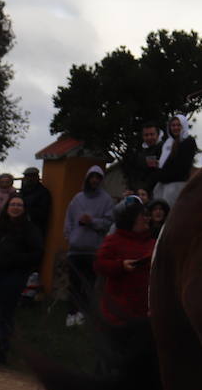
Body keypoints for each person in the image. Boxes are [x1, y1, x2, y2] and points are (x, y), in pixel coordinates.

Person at [0, 194, 43, 363]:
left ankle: (0, 353)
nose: (16, 207)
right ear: (7, 207)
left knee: (6, 315)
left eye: (19, 204)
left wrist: (13, 260)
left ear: (24, 209)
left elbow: (36, 254)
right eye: (13, 204)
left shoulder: (30, 229)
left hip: (13, 277)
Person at [94, 197, 156, 369]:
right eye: (142, 215)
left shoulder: (153, 243)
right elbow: (99, 264)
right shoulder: (114, 240)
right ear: (130, 218)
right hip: (116, 315)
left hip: (143, 315)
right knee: (110, 360)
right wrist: (120, 265)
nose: (147, 218)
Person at [62, 165, 114, 328]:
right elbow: (68, 221)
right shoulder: (77, 199)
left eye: (98, 178)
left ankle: (83, 313)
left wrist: (92, 222)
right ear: (87, 179)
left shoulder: (107, 200)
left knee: (89, 285)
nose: (94, 180)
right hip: (75, 250)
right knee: (74, 284)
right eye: (92, 177)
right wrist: (70, 237)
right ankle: (71, 313)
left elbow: (108, 223)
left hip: (93, 250)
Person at [153, 114, 197, 207]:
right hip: (163, 183)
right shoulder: (168, 143)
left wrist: (163, 175)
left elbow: (182, 166)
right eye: (173, 125)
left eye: (178, 125)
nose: (175, 128)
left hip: (176, 185)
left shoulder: (188, 141)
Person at [123, 123, 163, 198]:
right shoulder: (139, 151)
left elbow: (154, 173)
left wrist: (143, 188)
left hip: (154, 192)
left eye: (152, 134)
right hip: (138, 192)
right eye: (146, 135)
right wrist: (132, 188)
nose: (149, 137)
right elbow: (133, 172)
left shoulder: (162, 149)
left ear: (157, 135)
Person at [19, 166, 53, 238]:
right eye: (26, 176)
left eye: (30, 176)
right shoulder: (23, 191)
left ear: (37, 177)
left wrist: (27, 212)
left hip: (35, 227)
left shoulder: (43, 192)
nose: (28, 179)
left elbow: (43, 213)